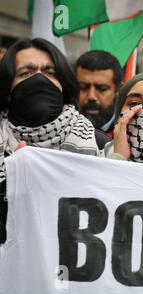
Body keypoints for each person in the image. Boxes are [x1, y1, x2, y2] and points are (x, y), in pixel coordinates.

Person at [0, 38, 100, 243]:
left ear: (63, 84)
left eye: (49, 72)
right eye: (26, 73)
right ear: (8, 89)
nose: (39, 79)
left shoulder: (98, 143)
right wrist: (12, 186)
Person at [74, 50, 123, 138]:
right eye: (83, 87)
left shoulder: (129, 135)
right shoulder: (57, 129)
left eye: (101, 88)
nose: (91, 96)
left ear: (119, 90)